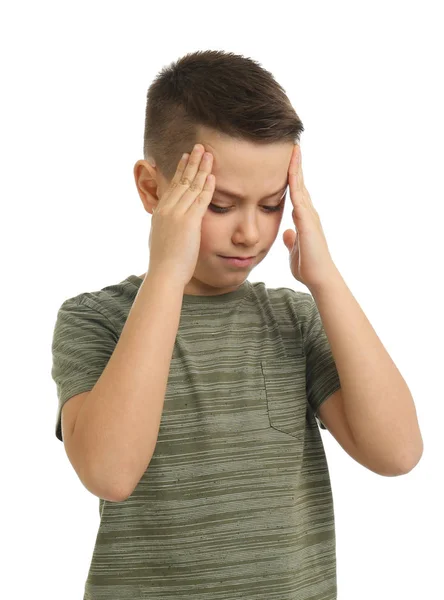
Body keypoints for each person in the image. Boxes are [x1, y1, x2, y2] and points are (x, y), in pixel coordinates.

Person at [50, 50, 346, 600]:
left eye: (272, 204)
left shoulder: (294, 318)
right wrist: (167, 271)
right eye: (220, 205)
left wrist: (325, 280)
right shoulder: (94, 319)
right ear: (153, 189)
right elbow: (110, 474)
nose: (250, 234)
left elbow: (398, 452)